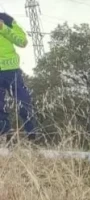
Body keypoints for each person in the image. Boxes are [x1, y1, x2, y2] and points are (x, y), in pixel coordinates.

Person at [0, 11, 37, 140]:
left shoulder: (6, 19)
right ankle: (5, 135)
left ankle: (33, 135)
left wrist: (3, 28)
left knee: (24, 104)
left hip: (12, 71)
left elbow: (22, 42)